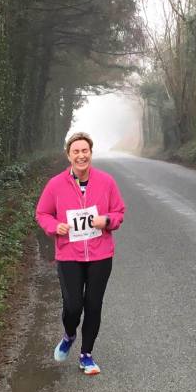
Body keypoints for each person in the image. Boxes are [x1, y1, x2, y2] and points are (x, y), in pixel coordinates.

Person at [35, 132, 125, 375]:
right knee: (73, 306)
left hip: (100, 255)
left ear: (91, 153)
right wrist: (55, 226)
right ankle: (69, 335)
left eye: (85, 151)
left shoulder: (106, 182)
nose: (81, 155)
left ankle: (86, 355)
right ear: (69, 155)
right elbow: (42, 213)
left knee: (93, 305)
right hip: (69, 255)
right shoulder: (55, 184)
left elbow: (118, 212)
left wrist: (106, 220)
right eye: (76, 151)